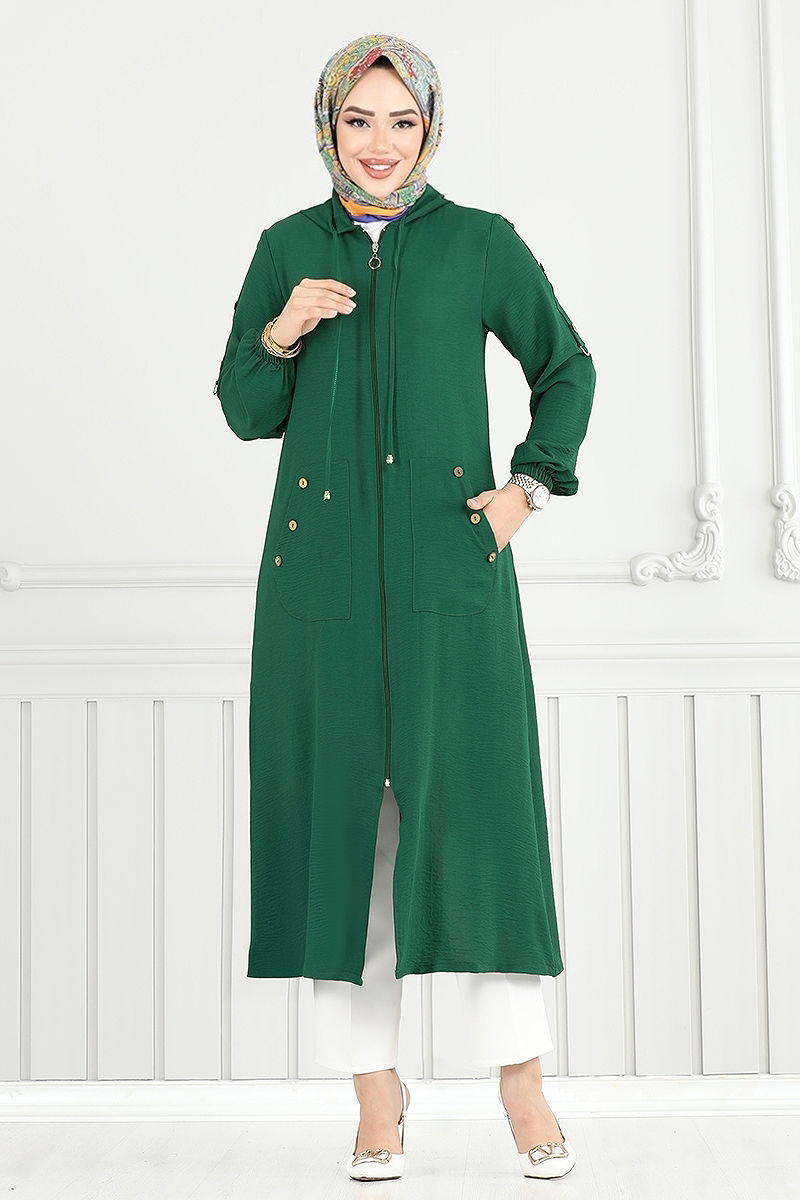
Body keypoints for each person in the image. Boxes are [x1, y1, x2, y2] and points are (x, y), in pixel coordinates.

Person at [215, 32, 595, 1182]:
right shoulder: (286, 247)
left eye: (400, 121)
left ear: (429, 128)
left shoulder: (479, 244)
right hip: (318, 587)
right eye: (357, 120)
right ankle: (374, 1099)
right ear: (326, 126)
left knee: (480, 826)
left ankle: (521, 1085)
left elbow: (565, 367)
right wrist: (280, 330)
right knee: (345, 842)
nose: (378, 144)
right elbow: (244, 407)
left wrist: (525, 490)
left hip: (449, 576)